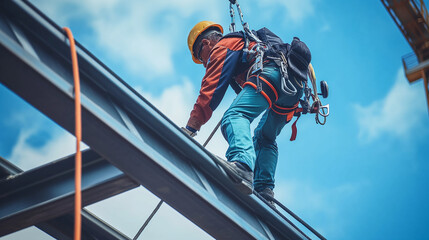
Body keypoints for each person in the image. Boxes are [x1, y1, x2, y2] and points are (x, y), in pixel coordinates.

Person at [182, 21, 311, 204]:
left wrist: (191, 127)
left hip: (272, 75)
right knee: (265, 137)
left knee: (234, 116)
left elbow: (210, 91)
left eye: (201, 58)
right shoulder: (247, 45)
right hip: (293, 88)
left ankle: (242, 164)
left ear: (206, 44)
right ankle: (265, 189)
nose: (205, 64)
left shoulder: (223, 46)